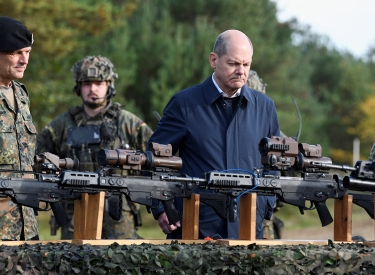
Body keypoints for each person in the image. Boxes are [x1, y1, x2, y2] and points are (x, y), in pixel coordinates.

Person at [148, 30, 280, 239]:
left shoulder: (265, 107)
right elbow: (154, 159)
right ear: (214, 60)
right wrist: (161, 207)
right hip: (194, 227)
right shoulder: (184, 104)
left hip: (248, 228)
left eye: (246, 65)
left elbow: (274, 164)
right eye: (233, 64)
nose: (241, 71)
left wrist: (264, 206)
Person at [36, 55, 153, 239]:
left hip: (119, 215)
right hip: (75, 212)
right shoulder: (60, 126)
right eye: (87, 83)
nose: (93, 89)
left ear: (109, 85)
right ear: (78, 87)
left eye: (99, 83)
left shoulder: (130, 124)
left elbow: (155, 161)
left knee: (122, 262)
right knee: (74, 263)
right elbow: (36, 159)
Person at [0, 16, 39, 240]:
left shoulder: (21, 94)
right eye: (16, 53)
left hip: (26, 226)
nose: (24, 60)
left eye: (27, 52)